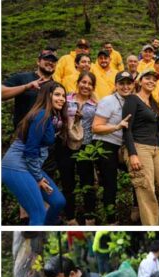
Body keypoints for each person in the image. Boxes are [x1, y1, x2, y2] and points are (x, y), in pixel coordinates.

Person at [2, 82, 67, 225]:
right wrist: (38, 178)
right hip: (16, 166)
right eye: (57, 94)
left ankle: (44, 227)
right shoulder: (42, 115)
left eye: (63, 95)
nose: (62, 98)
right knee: (38, 213)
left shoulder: (52, 117)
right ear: (47, 96)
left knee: (58, 202)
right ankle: (37, 235)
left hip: (29, 166)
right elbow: (30, 150)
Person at [121, 68, 159, 225]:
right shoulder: (132, 100)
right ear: (139, 81)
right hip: (139, 147)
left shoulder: (153, 103)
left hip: (155, 148)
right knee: (146, 189)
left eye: (154, 79)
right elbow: (127, 128)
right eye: (148, 78)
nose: (151, 81)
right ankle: (152, 228)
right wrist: (132, 153)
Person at [90, 71, 134, 224]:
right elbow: (95, 127)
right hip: (105, 143)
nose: (125, 86)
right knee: (110, 183)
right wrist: (116, 127)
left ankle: (136, 208)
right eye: (122, 83)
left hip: (121, 145)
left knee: (137, 172)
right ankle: (111, 219)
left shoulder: (132, 101)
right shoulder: (108, 101)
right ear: (116, 85)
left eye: (129, 83)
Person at [60, 71, 98, 225]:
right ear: (78, 83)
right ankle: (70, 217)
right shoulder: (66, 99)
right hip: (66, 145)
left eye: (89, 84)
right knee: (67, 182)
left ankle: (89, 216)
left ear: (93, 87)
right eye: (83, 82)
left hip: (86, 145)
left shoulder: (95, 105)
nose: (86, 86)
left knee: (87, 183)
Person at [2, 49, 58, 128]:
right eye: (46, 59)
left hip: (46, 133)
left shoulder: (56, 85)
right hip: (23, 132)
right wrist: (26, 87)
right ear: (38, 62)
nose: (50, 62)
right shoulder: (22, 78)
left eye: (54, 61)